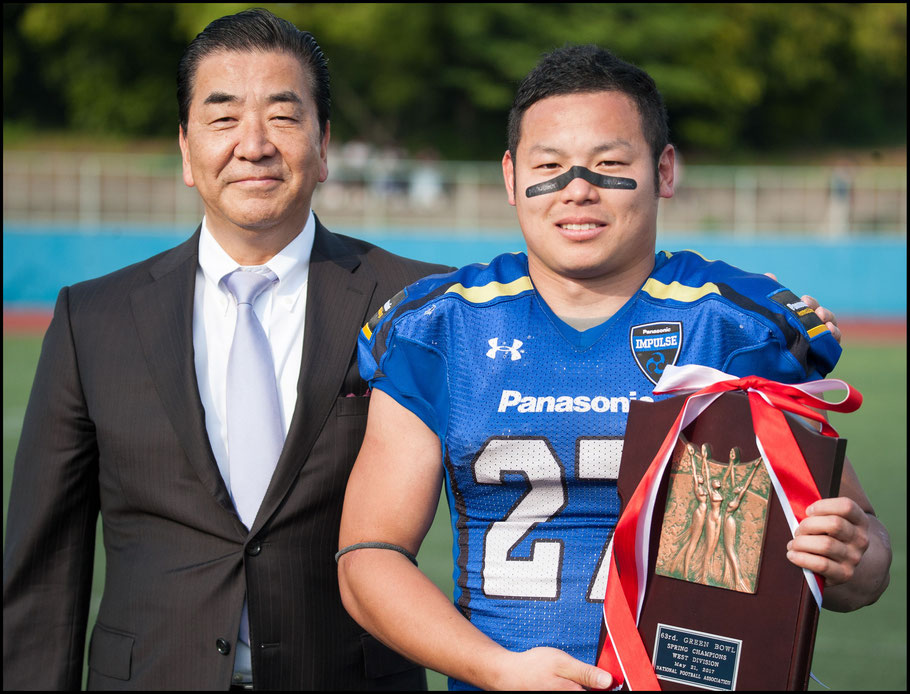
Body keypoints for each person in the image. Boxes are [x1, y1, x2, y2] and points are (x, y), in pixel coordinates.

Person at [336, 45, 892, 690]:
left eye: (609, 164)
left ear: (664, 170)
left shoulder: (734, 325)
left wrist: (852, 558)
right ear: (511, 177)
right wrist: (496, 669)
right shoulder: (445, 327)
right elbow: (368, 555)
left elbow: (863, 557)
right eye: (550, 166)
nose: (578, 188)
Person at [2, 9, 446, 691]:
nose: (254, 144)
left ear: (324, 145)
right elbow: (43, 575)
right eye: (223, 117)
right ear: (186, 151)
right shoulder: (92, 319)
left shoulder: (417, 304)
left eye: (283, 116)